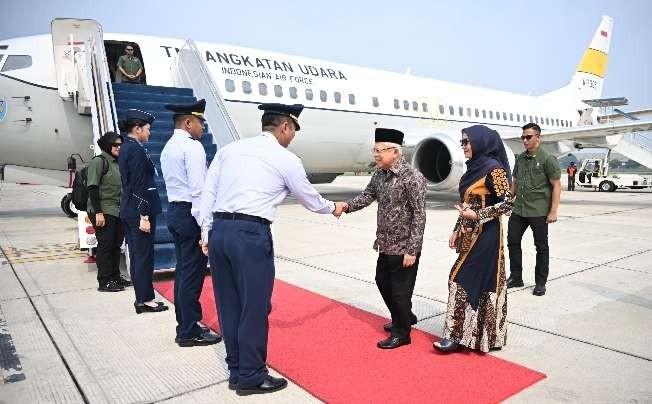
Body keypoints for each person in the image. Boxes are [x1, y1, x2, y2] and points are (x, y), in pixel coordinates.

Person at [199, 103, 345, 396]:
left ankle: (237, 369)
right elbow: (309, 197)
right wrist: (333, 208)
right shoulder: (285, 158)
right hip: (250, 235)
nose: (292, 137)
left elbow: (209, 190)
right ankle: (251, 377)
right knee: (254, 308)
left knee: (229, 305)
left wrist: (206, 231)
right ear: (285, 127)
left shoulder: (230, 150)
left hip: (220, 232)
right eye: (293, 131)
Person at [340, 128, 426, 350]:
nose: (376, 155)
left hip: (405, 245)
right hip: (385, 243)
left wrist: (412, 250)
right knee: (382, 281)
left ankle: (402, 333)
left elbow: (419, 214)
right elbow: (367, 196)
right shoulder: (379, 174)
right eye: (374, 150)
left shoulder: (412, 177)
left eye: (380, 150)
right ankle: (404, 316)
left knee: (400, 291)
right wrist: (346, 207)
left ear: (396, 152)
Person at [433, 125, 513, 353]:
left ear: (481, 142)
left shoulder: (494, 170)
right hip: (470, 234)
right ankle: (479, 337)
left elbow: (508, 204)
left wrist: (478, 215)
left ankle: (454, 336)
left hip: (488, 237)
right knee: (474, 282)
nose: (464, 146)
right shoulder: (473, 169)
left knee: (457, 278)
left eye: (467, 142)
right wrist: (457, 228)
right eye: (463, 142)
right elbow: (468, 204)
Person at [160, 99, 222, 347]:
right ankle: (188, 330)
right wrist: (206, 229)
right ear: (187, 122)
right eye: (200, 122)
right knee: (192, 274)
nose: (203, 128)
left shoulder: (168, 147)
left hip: (175, 211)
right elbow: (199, 193)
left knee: (184, 271)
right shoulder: (192, 148)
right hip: (190, 215)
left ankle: (185, 325)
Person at [118, 109, 168, 313]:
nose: (150, 133)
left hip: (130, 209)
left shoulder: (128, 147)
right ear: (137, 129)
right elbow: (140, 185)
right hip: (138, 211)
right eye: (147, 129)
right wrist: (144, 215)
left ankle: (142, 297)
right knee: (143, 257)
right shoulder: (135, 150)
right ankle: (145, 300)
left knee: (139, 256)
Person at [506, 123, 561, 296]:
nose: (525, 140)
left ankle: (540, 283)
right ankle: (516, 277)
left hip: (538, 211)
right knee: (512, 241)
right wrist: (508, 200)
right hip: (519, 210)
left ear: (538, 137)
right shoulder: (520, 158)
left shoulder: (547, 159)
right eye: (523, 137)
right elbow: (515, 182)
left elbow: (557, 186)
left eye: (528, 137)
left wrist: (553, 211)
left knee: (541, 247)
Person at [87, 131, 131, 292]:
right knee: (105, 246)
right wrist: (98, 212)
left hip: (117, 210)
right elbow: (92, 187)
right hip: (103, 211)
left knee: (115, 245)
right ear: (107, 145)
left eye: (121, 144)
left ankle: (115, 277)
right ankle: (104, 281)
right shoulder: (99, 162)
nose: (119, 147)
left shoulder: (118, 163)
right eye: (115, 145)